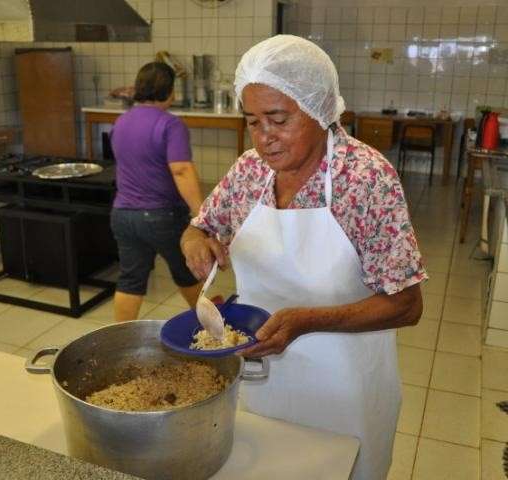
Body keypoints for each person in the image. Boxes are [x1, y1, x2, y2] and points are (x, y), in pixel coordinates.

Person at [180, 35, 426, 480]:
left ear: (321, 109)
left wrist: (305, 321)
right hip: (260, 382)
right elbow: (201, 226)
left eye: (278, 119)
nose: (264, 139)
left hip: (343, 390)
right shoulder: (249, 171)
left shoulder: (366, 179)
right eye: (253, 121)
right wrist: (194, 241)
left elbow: (407, 306)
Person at [110, 62, 203, 322]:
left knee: (130, 280)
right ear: (169, 90)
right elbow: (181, 170)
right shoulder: (171, 124)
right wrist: (201, 214)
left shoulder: (121, 121)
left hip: (123, 215)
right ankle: (215, 333)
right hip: (163, 216)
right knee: (189, 273)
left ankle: (121, 340)